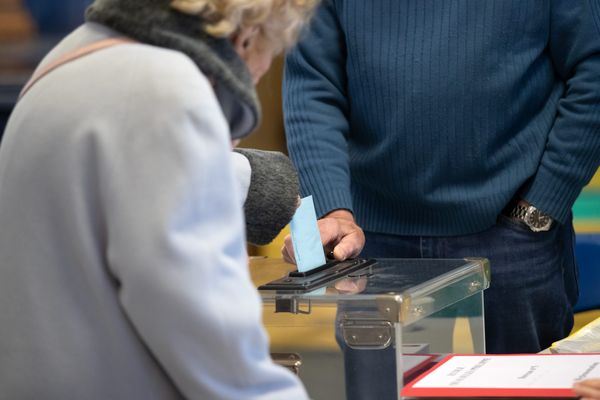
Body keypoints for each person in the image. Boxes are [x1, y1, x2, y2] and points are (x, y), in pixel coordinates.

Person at [282, 1, 600, 398]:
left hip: (510, 236)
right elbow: (312, 85)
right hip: (369, 240)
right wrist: (334, 209)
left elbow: (593, 74)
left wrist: (542, 204)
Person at [0, 0, 317, 399]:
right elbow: (211, 339)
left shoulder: (63, 61)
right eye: (267, 57)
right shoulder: (169, 91)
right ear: (248, 33)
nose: (257, 77)